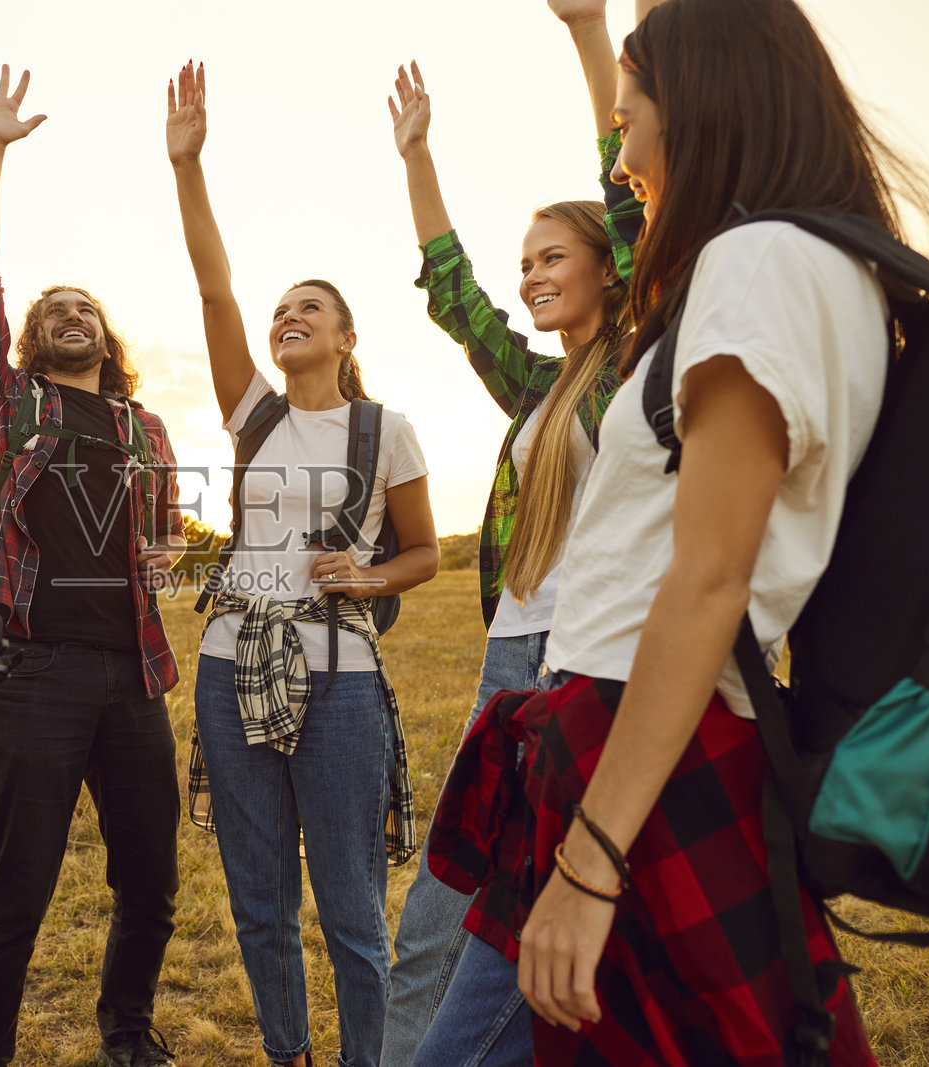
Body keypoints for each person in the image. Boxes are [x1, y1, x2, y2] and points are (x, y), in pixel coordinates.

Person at [425, 0, 929, 1061]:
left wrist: (592, 855)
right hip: (627, 743)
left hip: (647, 751)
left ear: (699, 105)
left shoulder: (761, 265)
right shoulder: (790, 262)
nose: (618, 160)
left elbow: (710, 580)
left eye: (627, 122)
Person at [379, 1, 643, 1062]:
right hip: (508, 659)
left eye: (549, 257)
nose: (529, 274)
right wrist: (416, 155)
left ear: (605, 267)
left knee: (534, 919)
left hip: (584, 664)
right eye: (524, 261)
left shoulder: (630, 370)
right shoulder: (537, 389)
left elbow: (629, 191)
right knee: (439, 915)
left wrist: (586, 34)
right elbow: (455, 295)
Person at [166, 61, 441, 1067]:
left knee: (353, 909)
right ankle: (288, 1053)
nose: (288, 316)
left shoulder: (385, 431)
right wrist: (188, 168)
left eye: (309, 308)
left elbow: (421, 550)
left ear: (346, 336)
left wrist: (372, 578)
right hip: (230, 663)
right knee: (260, 899)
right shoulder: (257, 416)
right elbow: (212, 286)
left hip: (344, 683)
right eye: (282, 308)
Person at [0, 65, 185, 1067]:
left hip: (131, 677)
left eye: (87, 307)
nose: (71, 314)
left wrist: (166, 548)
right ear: (34, 337)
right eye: (55, 309)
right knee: (17, 887)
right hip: (33, 674)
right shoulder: (5, 408)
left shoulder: (144, 425)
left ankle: (127, 1029)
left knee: (151, 880)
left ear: (107, 335)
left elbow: (164, 533)